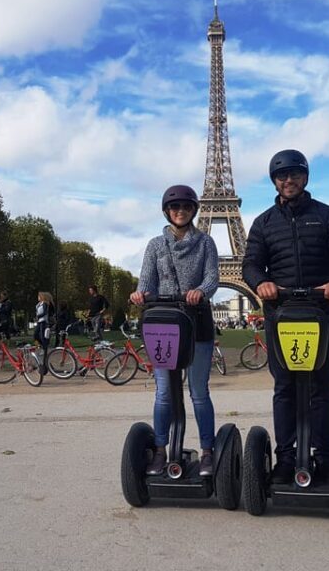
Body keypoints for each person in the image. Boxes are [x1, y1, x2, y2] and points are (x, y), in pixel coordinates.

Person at [242, 149, 329, 486]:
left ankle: (325, 459)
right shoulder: (263, 222)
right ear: (274, 181)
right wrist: (260, 282)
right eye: (282, 176)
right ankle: (286, 457)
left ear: (305, 178)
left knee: (321, 387)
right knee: (285, 387)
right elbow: (250, 262)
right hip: (281, 313)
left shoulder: (327, 216)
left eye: (294, 174)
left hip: (321, 311)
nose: (288, 180)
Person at [130, 184, 220, 477]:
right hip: (165, 323)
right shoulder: (156, 244)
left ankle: (208, 450)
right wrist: (140, 294)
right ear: (167, 211)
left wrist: (200, 291)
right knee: (164, 393)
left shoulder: (206, 243)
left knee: (198, 393)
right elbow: (146, 279)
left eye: (185, 207)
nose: (179, 211)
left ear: (193, 210)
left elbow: (212, 278)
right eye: (174, 207)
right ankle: (159, 450)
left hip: (196, 323)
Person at [34, 292, 54, 370]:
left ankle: (43, 348)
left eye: (39, 296)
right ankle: (38, 346)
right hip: (39, 322)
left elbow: (45, 312)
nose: (38, 297)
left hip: (43, 321)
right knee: (35, 335)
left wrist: (38, 316)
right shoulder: (39, 304)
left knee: (42, 336)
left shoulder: (45, 304)